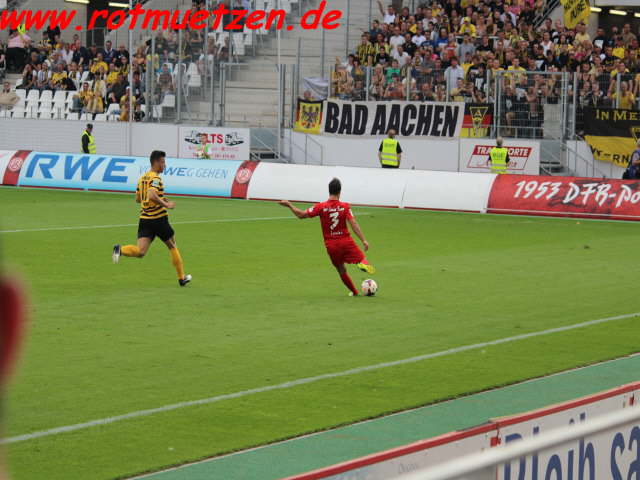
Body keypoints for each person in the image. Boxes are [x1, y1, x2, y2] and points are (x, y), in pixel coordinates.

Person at [278, 178, 375, 297]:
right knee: (361, 258)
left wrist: (289, 205)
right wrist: (363, 240)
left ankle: (354, 292)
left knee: (341, 269)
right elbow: (353, 223)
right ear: (340, 192)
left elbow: (301, 215)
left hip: (331, 245)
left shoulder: (321, 206)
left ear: (329, 191)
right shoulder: (345, 206)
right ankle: (361, 262)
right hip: (346, 241)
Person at [112, 150, 192, 287]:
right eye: (163, 162)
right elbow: (151, 195)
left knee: (141, 252)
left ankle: (120, 249)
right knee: (172, 245)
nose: (164, 165)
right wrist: (166, 204)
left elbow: (138, 199)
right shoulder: (155, 178)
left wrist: (159, 198)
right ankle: (181, 278)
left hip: (145, 220)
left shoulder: (142, 178)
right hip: (158, 219)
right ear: (156, 162)